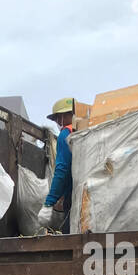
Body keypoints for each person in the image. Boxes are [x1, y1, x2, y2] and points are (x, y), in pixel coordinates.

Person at [38, 97, 76, 232]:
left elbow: (62, 169)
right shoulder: (87, 131)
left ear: (63, 116)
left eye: (57, 119)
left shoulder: (66, 134)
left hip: (75, 197)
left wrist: (49, 202)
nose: (58, 123)